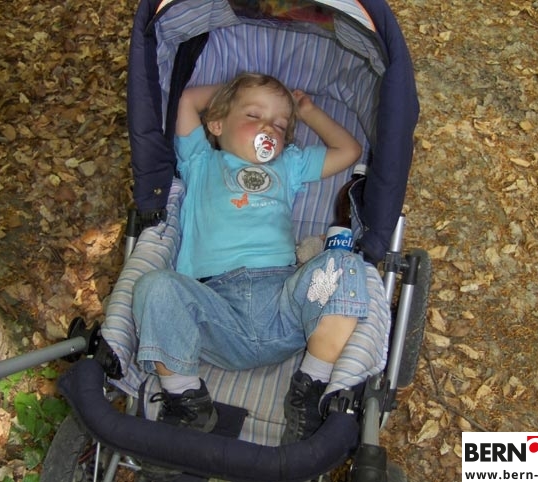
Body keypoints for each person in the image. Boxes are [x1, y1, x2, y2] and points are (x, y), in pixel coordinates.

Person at [132, 72, 371, 443]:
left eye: (280, 124)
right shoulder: (200, 160)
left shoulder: (288, 164)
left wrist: (307, 112)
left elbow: (349, 151)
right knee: (154, 286)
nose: (268, 128)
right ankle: (186, 400)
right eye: (253, 115)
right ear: (216, 123)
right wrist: (234, 90)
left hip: (284, 304)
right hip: (214, 311)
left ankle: (311, 383)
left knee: (346, 263)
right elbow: (185, 101)